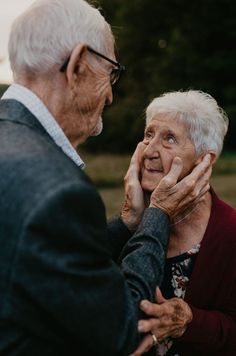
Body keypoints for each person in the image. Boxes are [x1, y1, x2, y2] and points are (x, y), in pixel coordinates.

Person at [0, 1, 211, 355]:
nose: (112, 95)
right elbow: (122, 330)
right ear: (79, 65)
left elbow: (42, 256)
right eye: (110, 73)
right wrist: (157, 215)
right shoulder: (58, 190)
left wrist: (128, 223)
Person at [130, 90, 236, 356]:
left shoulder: (230, 233)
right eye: (148, 134)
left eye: (169, 139)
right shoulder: (133, 224)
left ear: (204, 161)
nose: (149, 151)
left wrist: (190, 321)